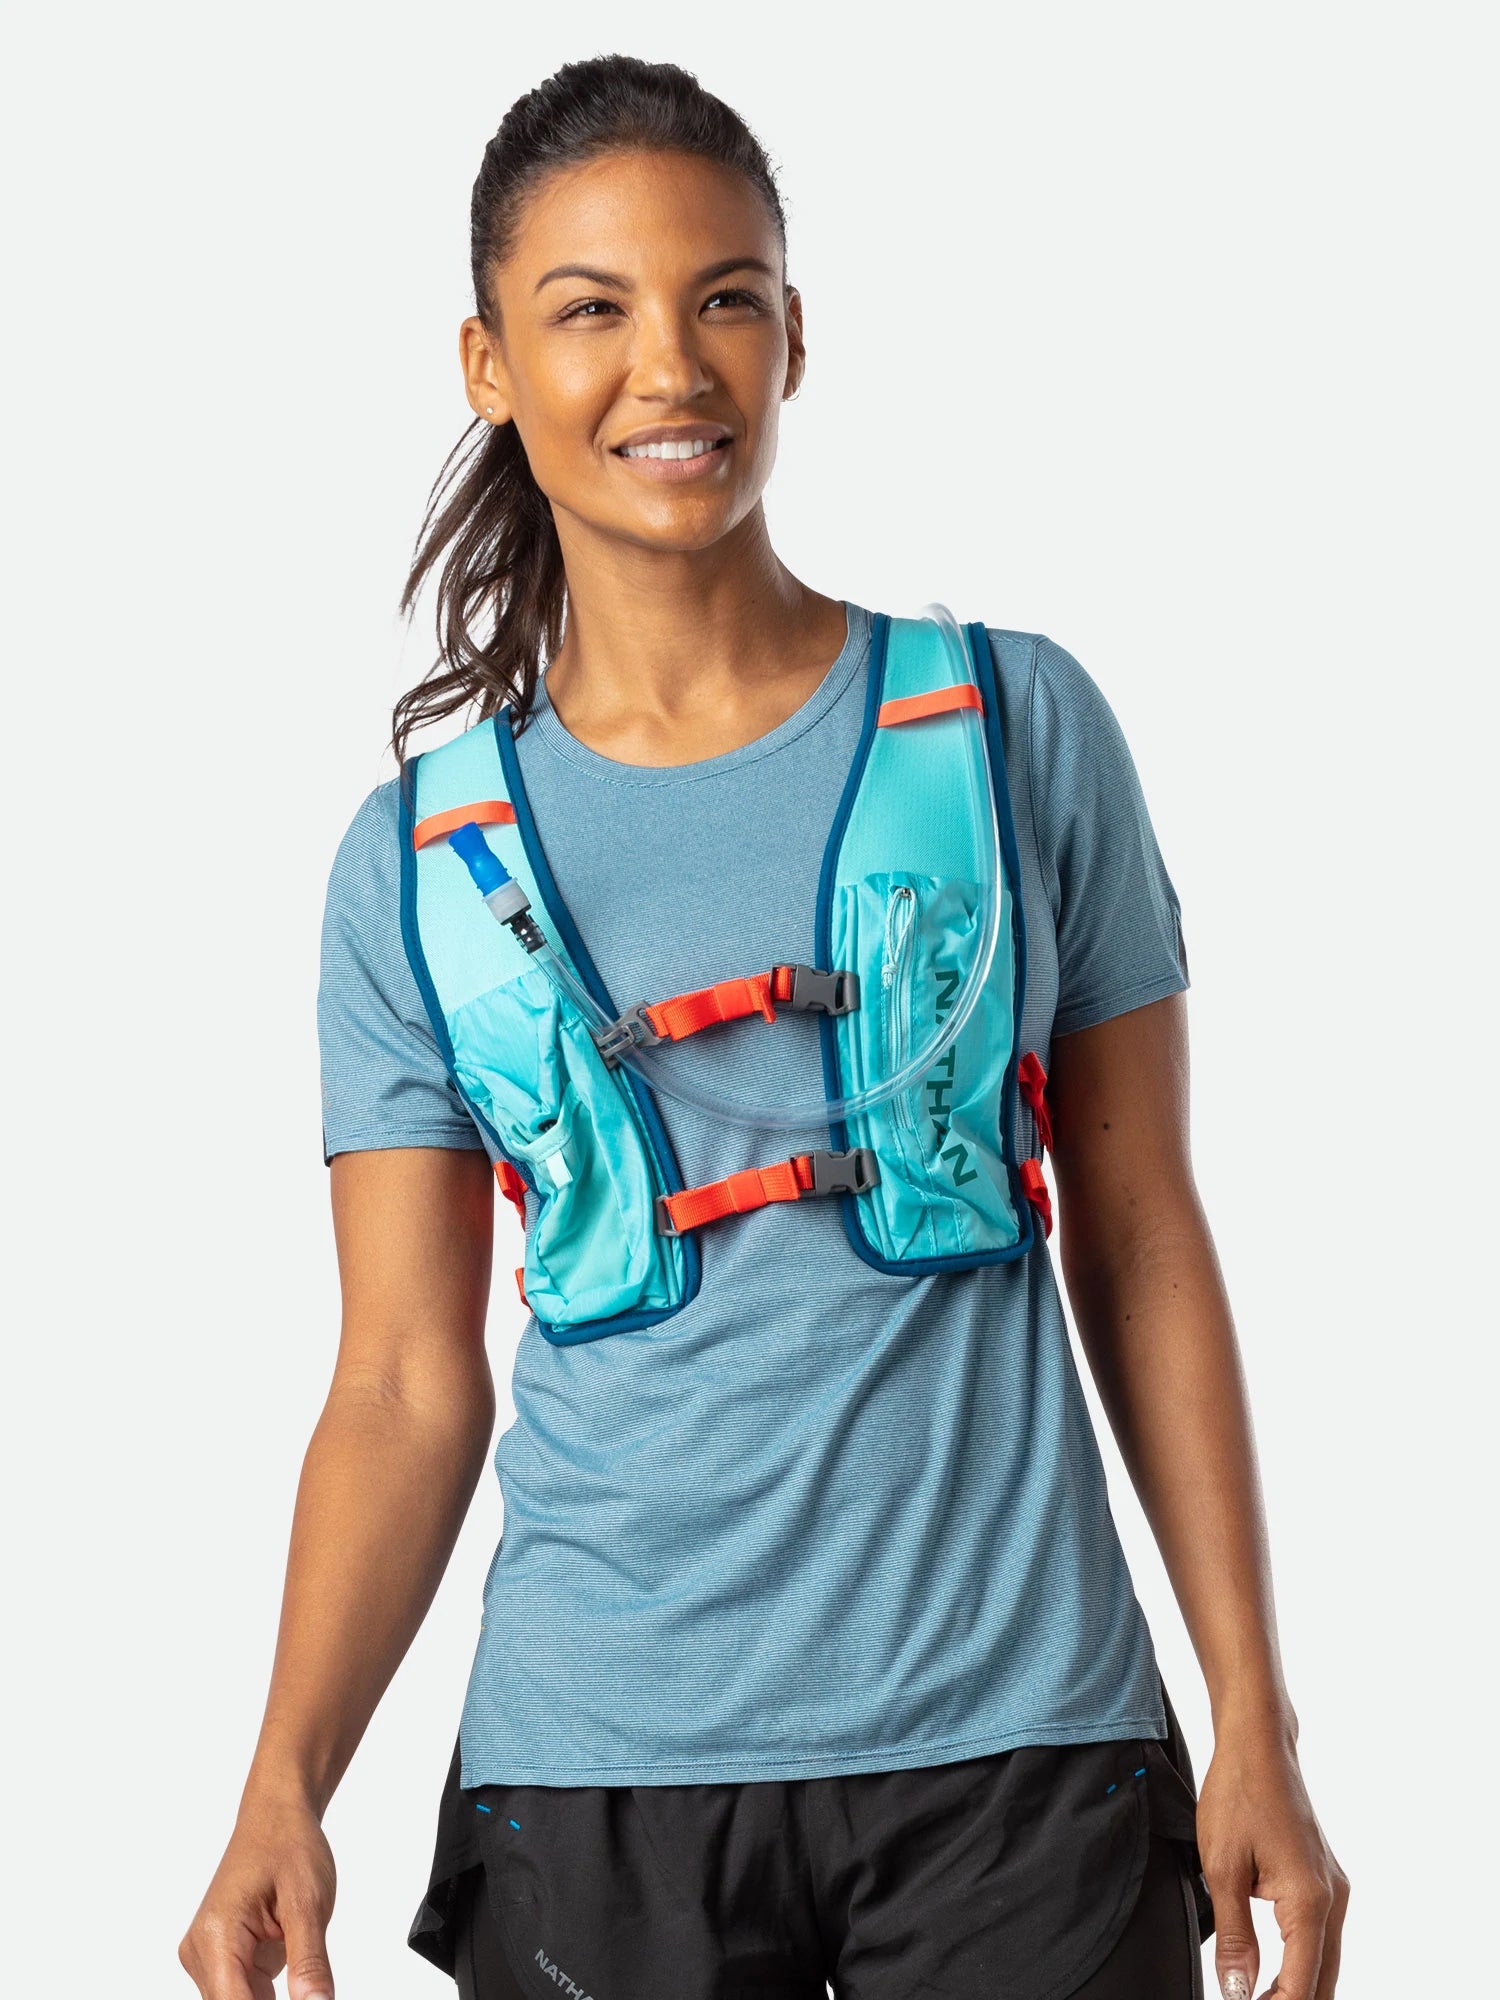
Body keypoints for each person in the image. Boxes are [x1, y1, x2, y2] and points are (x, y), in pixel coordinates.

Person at [178, 52, 1349, 2000]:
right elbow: (400, 1376)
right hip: (597, 1784)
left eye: (725, 297)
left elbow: (1145, 1234)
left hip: (1024, 1756)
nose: (672, 366)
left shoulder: (1016, 727)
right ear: (487, 364)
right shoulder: (414, 865)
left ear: (796, 334)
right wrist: (281, 1784)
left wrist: (1255, 1717)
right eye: (591, 310)